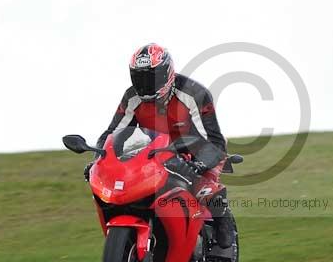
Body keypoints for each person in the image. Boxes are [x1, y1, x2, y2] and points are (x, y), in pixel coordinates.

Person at [85, 43, 235, 248]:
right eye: (139, 77)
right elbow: (113, 134)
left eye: (151, 77)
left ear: (167, 73)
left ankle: (222, 218)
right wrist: (99, 160)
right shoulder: (132, 97)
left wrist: (199, 165)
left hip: (200, 149)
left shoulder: (194, 94)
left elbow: (214, 140)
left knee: (205, 188)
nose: (145, 84)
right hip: (156, 151)